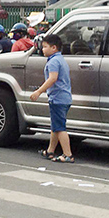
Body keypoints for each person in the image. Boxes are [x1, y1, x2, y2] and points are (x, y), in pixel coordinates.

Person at [30, 34, 74, 163]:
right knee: (55, 126)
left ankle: (68, 154)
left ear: (54, 47)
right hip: (63, 97)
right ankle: (50, 151)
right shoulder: (60, 59)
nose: (42, 49)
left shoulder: (54, 61)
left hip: (58, 98)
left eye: (45, 47)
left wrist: (38, 92)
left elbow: (52, 78)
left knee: (60, 128)